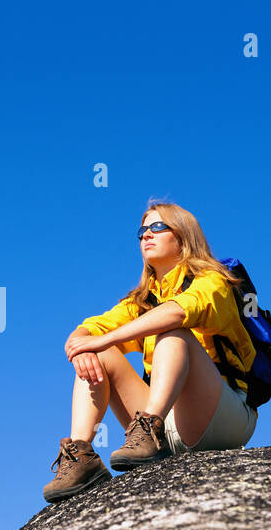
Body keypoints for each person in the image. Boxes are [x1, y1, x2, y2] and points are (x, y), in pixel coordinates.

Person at [44, 200, 259, 503]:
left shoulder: (215, 282)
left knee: (173, 334)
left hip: (222, 416)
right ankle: (82, 456)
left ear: (184, 237)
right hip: (164, 426)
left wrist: (102, 340)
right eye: (142, 230)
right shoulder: (143, 299)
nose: (146, 235)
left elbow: (179, 312)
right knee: (97, 355)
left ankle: (149, 429)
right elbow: (91, 327)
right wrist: (82, 345)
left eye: (158, 227)